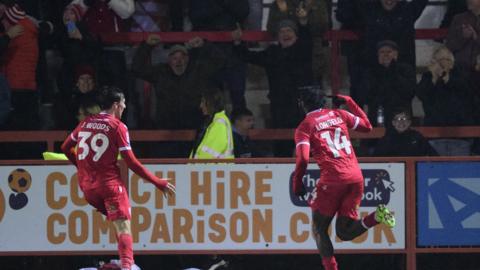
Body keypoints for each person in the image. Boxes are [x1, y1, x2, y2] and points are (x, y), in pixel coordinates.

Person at [61, 86, 176, 270]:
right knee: (124, 226)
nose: (124, 108)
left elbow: (65, 148)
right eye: (123, 104)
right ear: (116, 105)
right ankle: (127, 266)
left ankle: (116, 263)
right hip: (110, 186)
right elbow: (131, 162)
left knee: (118, 222)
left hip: (88, 189)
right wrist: (157, 182)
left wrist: (82, 168)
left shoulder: (86, 123)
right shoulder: (118, 127)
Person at [292, 88, 395, 270]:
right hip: (355, 178)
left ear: (302, 104)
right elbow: (367, 127)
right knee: (344, 233)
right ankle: (377, 216)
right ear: (323, 101)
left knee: (319, 229)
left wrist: (297, 183)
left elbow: (303, 159)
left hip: (332, 180)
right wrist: (350, 101)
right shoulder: (339, 114)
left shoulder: (305, 126)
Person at [232, 10, 313, 157]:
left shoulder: (303, 51)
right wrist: (238, 42)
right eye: (281, 31)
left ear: (296, 34)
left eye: (289, 30)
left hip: (301, 108)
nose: (285, 34)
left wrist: (303, 22)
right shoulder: (273, 53)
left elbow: (307, 39)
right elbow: (248, 56)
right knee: (281, 147)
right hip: (279, 107)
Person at [364, 40, 416, 127]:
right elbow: (367, 95)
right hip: (378, 118)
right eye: (382, 52)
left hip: (400, 119)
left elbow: (409, 92)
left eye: (389, 52)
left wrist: (393, 70)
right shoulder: (371, 72)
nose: (385, 55)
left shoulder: (406, 70)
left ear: (396, 54)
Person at [373, 108, 438, 157]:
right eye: (398, 119)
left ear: (409, 122)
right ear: (393, 123)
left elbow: (432, 154)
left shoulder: (417, 137)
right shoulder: (386, 139)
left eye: (404, 119)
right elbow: (376, 159)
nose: (401, 122)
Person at [190, 89, 234, 159]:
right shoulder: (213, 122)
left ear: (211, 102)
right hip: (207, 169)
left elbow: (209, 155)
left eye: (203, 102)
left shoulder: (219, 123)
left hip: (212, 169)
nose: (201, 106)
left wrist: (195, 166)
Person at [446, 0, 480, 74]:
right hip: (461, 71)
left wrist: (476, 37)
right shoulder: (458, 19)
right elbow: (449, 46)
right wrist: (463, 37)